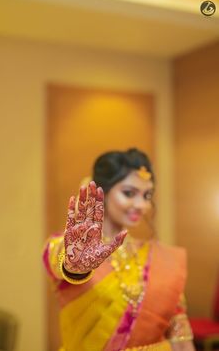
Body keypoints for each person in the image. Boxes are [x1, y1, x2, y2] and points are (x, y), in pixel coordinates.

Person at [43, 148, 194, 351]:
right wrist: (74, 265)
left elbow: (180, 337)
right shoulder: (66, 247)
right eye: (129, 193)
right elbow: (60, 260)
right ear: (101, 192)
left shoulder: (160, 260)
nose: (141, 205)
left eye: (147, 195)